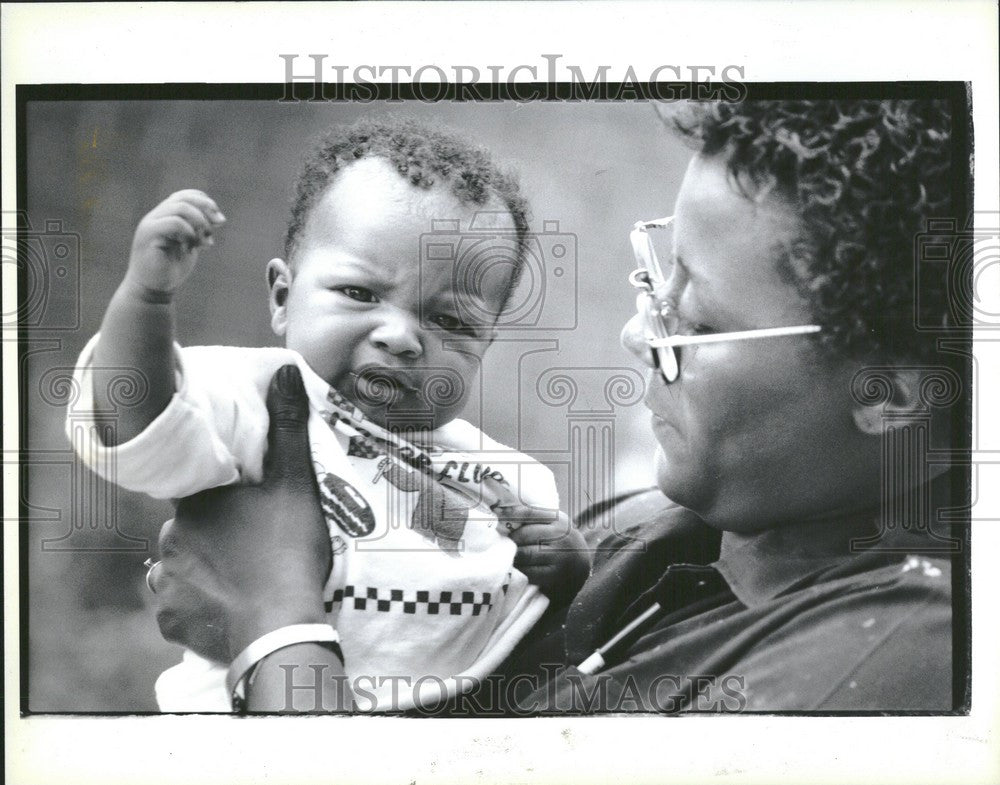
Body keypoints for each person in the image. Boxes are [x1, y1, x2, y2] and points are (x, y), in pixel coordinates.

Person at [149, 99, 962, 713]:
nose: (638, 335)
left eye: (698, 321)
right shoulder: (670, 526)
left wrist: (276, 621)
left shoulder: (887, 667)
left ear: (885, 393)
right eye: (657, 277)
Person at [66, 117, 590, 712]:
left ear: (485, 346)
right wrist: (146, 299)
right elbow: (137, 418)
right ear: (283, 297)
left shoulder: (495, 473)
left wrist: (565, 567)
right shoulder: (263, 400)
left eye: (450, 322)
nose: (399, 337)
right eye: (360, 294)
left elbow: (523, 617)